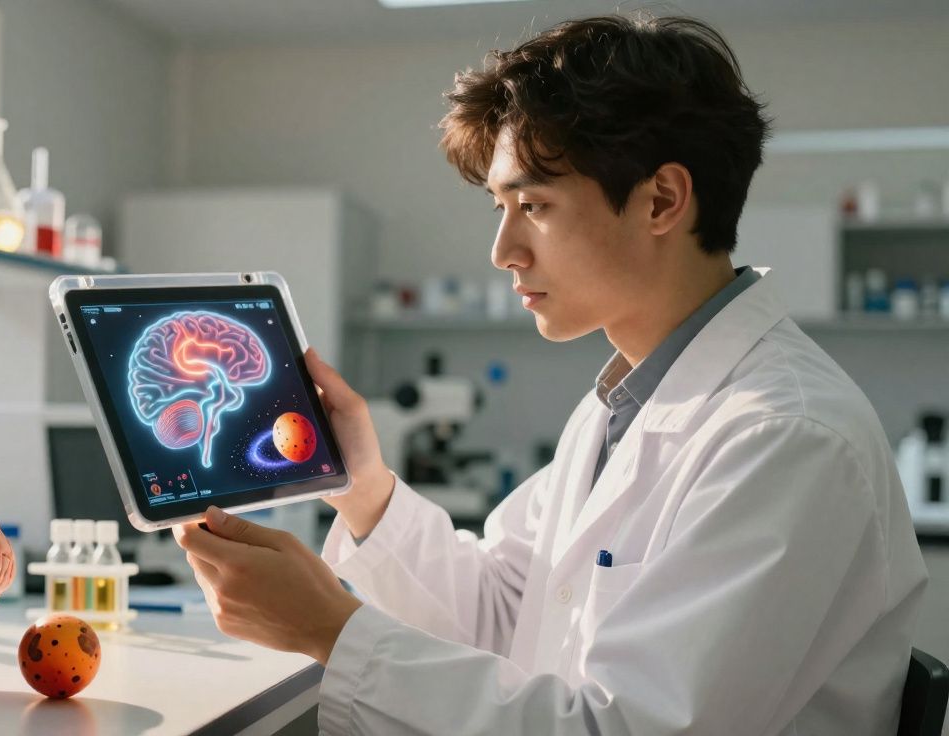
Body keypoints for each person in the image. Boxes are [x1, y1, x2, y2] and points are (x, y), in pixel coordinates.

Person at [174, 13, 928, 735]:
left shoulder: (786, 438)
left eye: (532, 204)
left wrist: (331, 631)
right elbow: (507, 613)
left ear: (662, 200)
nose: (503, 251)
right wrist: (364, 489)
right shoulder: (621, 405)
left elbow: (622, 730)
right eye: (500, 208)